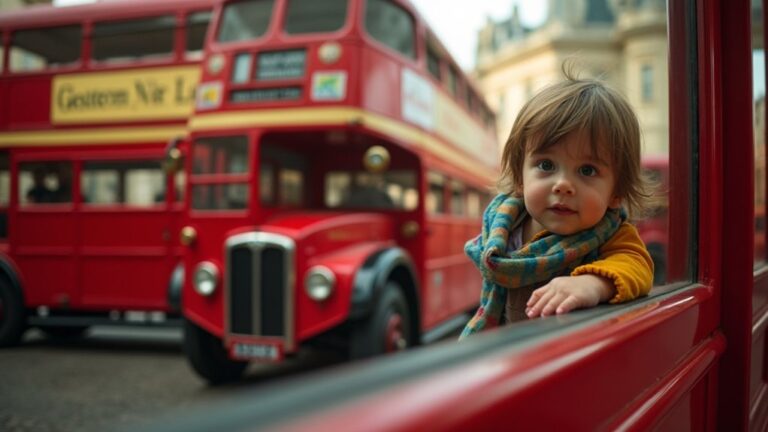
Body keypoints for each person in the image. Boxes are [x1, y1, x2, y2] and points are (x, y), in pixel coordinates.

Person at [460, 68, 654, 339]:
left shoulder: (609, 234)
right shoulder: (504, 228)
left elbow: (637, 266)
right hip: (506, 353)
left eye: (587, 170)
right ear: (520, 177)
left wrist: (592, 284)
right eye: (546, 165)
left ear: (616, 192)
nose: (563, 184)